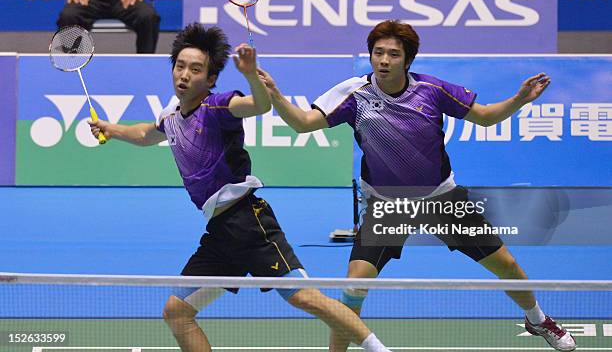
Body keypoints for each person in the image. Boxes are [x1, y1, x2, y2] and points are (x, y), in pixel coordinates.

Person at [258, 20, 577, 352]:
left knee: (507, 265)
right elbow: (303, 123)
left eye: (393, 54)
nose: (383, 60)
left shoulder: (432, 90)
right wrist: (276, 95)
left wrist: (521, 99)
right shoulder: (355, 93)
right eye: (377, 52)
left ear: (407, 60)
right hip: (386, 204)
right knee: (353, 287)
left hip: (441, 197)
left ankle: (537, 319)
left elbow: (484, 116)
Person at [88, 23, 393, 352]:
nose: (184, 75)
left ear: (210, 79)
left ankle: (380, 351)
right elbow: (147, 134)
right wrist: (111, 128)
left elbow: (259, 105)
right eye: (179, 66)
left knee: (306, 298)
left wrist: (250, 74)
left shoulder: (217, 106)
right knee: (178, 312)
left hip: (249, 223)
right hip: (220, 232)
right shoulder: (171, 114)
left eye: (195, 69)